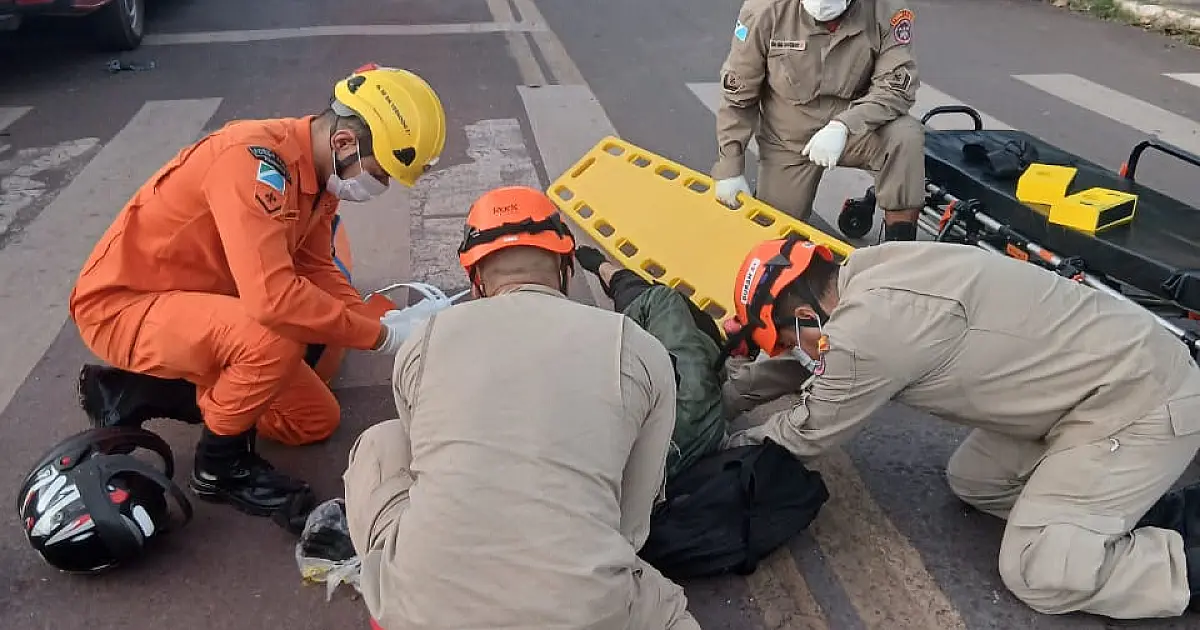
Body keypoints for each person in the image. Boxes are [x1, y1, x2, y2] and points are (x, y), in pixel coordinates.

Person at [721, 236, 1200, 619]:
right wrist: (729, 395)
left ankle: (1175, 564)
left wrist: (717, 451)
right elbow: (823, 362)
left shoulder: (871, 331)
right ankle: (1115, 511)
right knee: (979, 481)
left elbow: (806, 431)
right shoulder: (877, 270)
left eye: (786, 341)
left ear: (805, 316)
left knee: (1040, 571)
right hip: (1095, 383)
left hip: (1140, 399)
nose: (791, 351)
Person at [68, 64, 448, 522]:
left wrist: (378, 322)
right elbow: (274, 301)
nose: (381, 186)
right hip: (123, 307)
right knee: (277, 337)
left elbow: (315, 265)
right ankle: (218, 467)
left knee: (313, 419)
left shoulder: (319, 174)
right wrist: (382, 339)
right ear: (345, 142)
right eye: (381, 173)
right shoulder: (253, 164)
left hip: (205, 303)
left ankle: (138, 392)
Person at [342, 185, 700, 630]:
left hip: (425, 610)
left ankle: (395, 598)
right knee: (669, 614)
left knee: (383, 441)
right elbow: (633, 519)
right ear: (565, 266)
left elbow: (420, 456)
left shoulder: (426, 339)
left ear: (476, 280)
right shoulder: (638, 347)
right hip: (582, 611)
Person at [712, 0, 925, 241]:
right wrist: (730, 167)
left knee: (905, 137)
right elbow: (738, 95)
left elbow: (895, 88)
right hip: (788, 139)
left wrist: (844, 125)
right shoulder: (764, 10)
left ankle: (899, 253)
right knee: (773, 238)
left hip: (856, 129)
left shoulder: (886, 8)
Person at [574, 244, 728, 481]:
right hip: (674, 439)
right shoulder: (693, 414)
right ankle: (610, 275)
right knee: (650, 299)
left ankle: (611, 277)